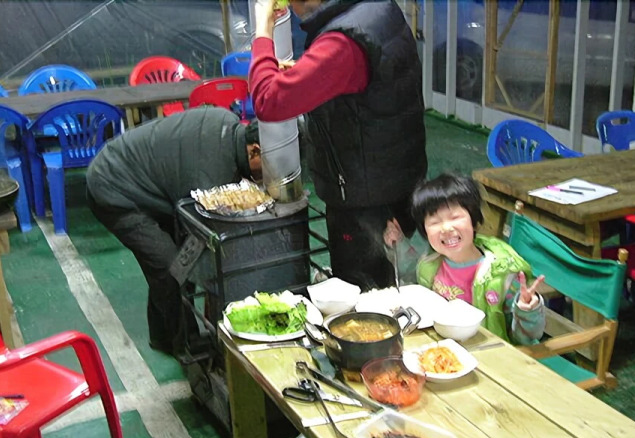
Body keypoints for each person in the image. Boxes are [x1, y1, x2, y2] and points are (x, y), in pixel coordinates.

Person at [250, 0, 427, 290]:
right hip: (395, 178)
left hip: (365, 202)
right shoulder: (375, 8)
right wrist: (307, 73)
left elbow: (268, 101)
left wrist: (263, 27)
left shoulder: (342, 42)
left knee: (367, 300)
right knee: (391, 287)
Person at [86, 107, 262, 354]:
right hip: (113, 188)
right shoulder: (213, 172)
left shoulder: (226, 122)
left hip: (147, 182)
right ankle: (187, 347)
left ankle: (161, 337)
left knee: (166, 262)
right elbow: (199, 232)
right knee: (172, 268)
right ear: (254, 150)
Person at [385, 174, 546, 345]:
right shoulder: (430, 266)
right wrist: (399, 243)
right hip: (442, 351)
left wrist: (527, 312)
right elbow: (409, 274)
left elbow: (527, 338)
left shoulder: (502, 276)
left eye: (455, 217)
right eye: (435, 222)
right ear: (425, 231)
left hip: (490, 354)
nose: (446, 228)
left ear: (474, 221)